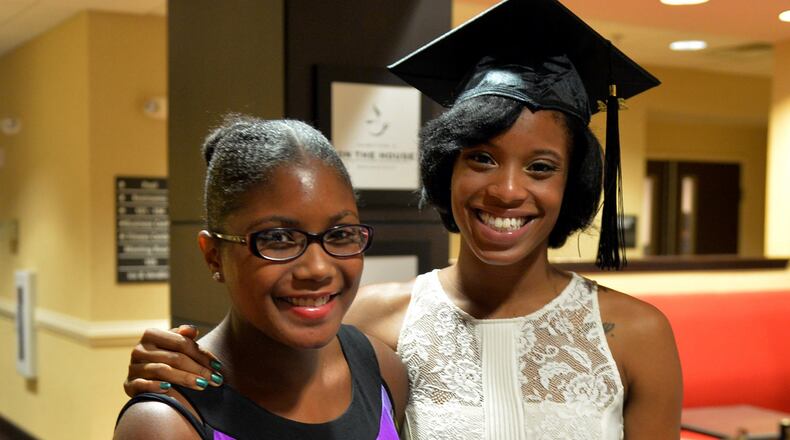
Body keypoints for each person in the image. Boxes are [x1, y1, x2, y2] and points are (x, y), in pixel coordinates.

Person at [122, 1, 683, 438]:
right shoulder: (371, 324)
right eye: (480, 158)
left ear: (573, 185)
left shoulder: (636, 336)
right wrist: (172, 360)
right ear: (447, 168)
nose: (508, 190)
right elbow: (260, 373)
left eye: (541, 167)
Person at [114, 117, 407, 440]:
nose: (318, 269)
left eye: (340, 234)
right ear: (213, 255)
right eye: (278, 239)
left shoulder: (382, 371)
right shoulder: (164, 425)